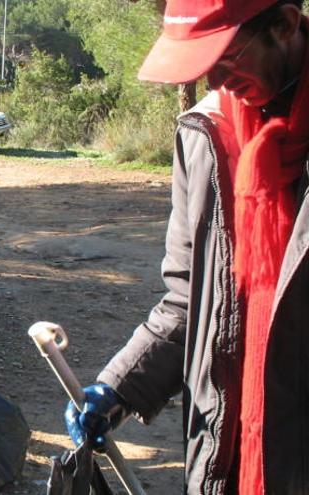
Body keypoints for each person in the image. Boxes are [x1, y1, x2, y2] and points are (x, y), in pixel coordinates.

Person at [64, 1, 309, 493]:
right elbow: (188, 300)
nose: (215, 82)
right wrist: (118, 387)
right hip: (228, 452)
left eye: (223, 60)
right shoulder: (206, 135)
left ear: (283, 25)